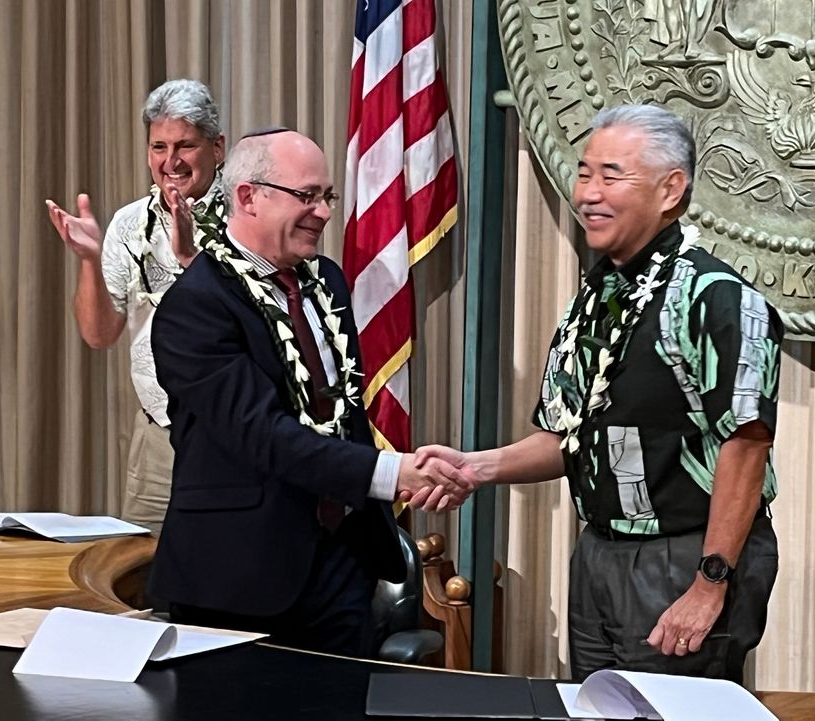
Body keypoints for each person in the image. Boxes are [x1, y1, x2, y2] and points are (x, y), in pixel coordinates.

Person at [416, 104, 783, 683]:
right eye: (584, 173)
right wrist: (475, 467)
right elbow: (568, 437)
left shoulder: (717, 297)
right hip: (599, 553)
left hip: (684, 557)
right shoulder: (598, 294)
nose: (588, 192)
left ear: (671, 189)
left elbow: (747, 445)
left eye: (611, 175)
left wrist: (711, 581)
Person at [147, 128, 469, 658]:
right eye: (307, 196)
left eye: (327, 197)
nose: (322, 212)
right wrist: (393, 473)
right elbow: (261, 435)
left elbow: (345, 414)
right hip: (239, 578)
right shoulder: (196, 306)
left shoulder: (328, 284)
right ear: (248, 196)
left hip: (342, 561)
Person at [45, 79, 228, 535]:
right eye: (158, 146)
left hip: (235, 436)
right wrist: (89, 260)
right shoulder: (129, 224)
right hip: (157, 436)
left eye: (186, 145)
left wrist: (192, 259)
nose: (171, 162)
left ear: (217, 148)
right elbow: (99, 334)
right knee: (143, 580)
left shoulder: (250, 215)